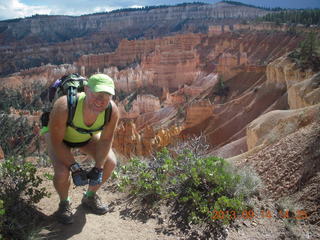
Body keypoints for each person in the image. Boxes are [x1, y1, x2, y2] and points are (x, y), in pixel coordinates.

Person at [43, 73, 119, 224]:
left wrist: (98, 167)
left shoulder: (111, 110)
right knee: (62, 172)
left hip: (85, 138)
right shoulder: (64, 106)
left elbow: (105, 139)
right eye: (97, 94)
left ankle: (89, 197)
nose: (100, 101)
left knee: (109, 162)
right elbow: (57, 142)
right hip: (60, 139)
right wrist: (75, 167)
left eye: (106, 96)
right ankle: (64, 204)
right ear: (86, 90)